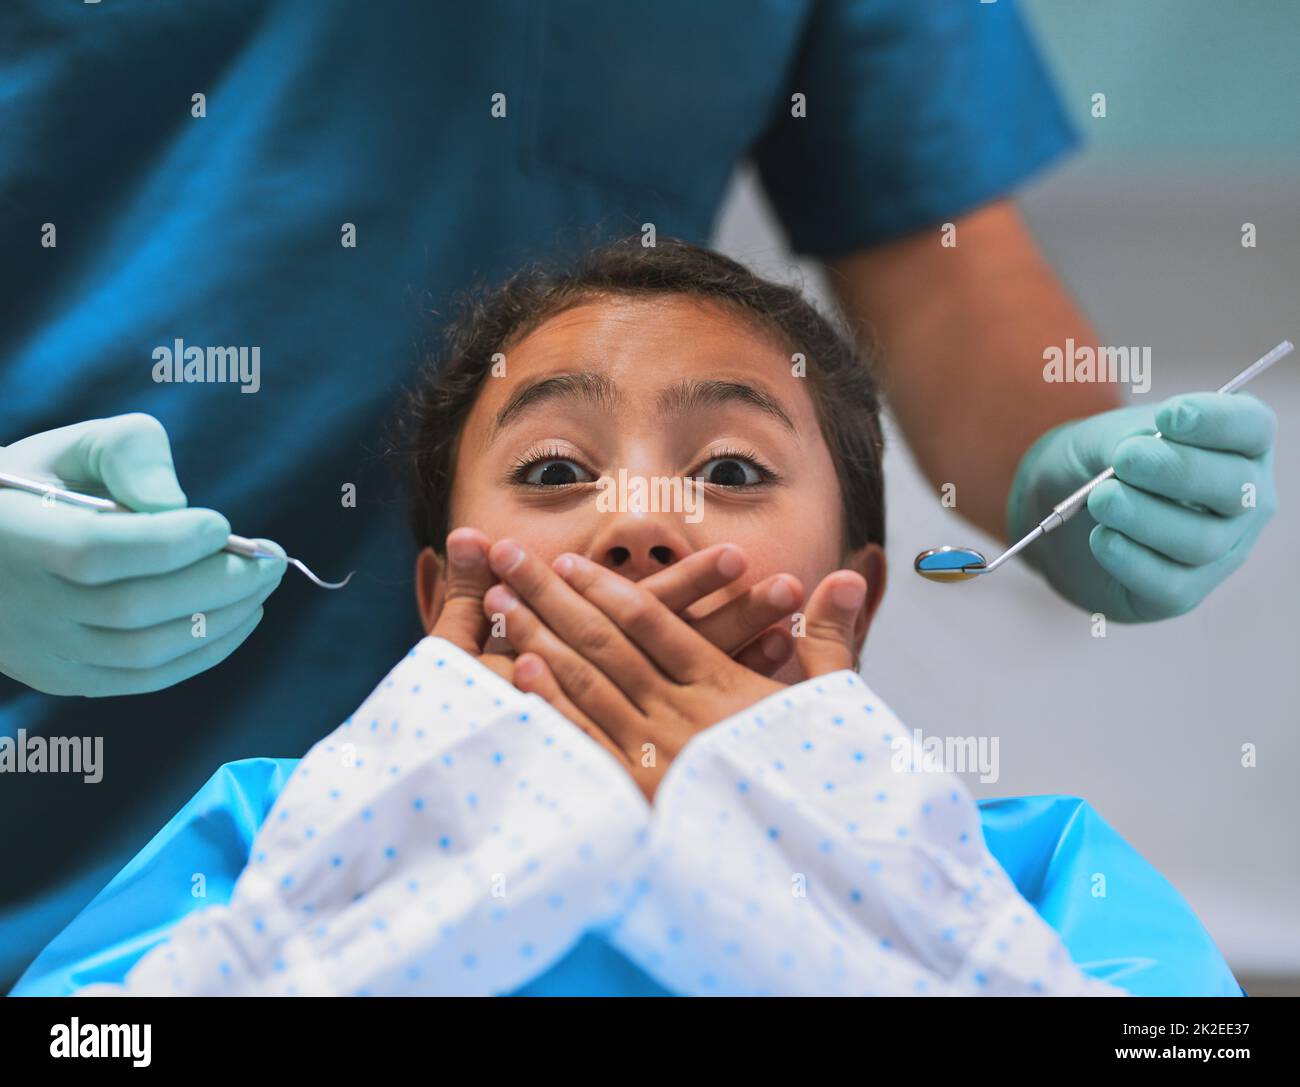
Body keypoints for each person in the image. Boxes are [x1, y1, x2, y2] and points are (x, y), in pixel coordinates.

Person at [0, 1, 1274, 987]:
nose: (641, 520)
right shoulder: (255, 845)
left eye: (730, 469)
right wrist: (360, 884)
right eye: (554, 470)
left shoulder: (1028, 875)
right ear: (440, 585)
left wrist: (882, 880)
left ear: (857, 592)